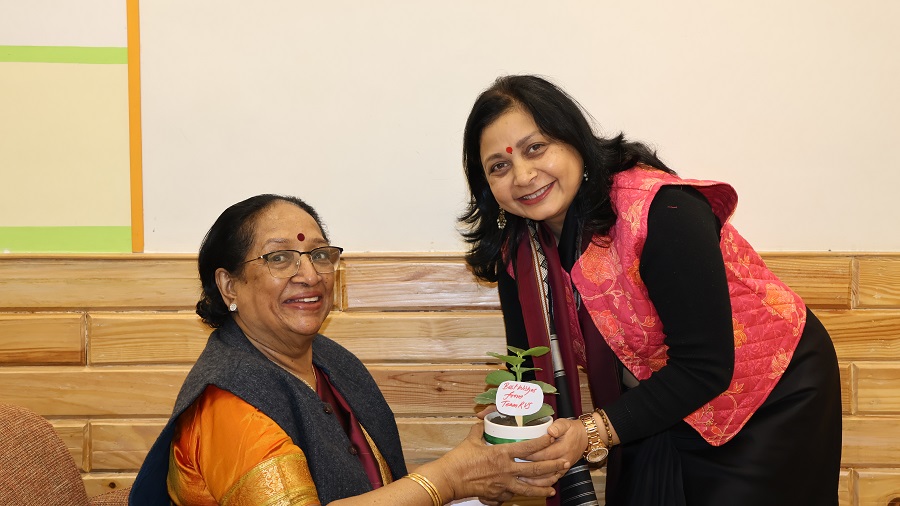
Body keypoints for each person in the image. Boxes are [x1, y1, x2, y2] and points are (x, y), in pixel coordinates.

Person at [459, 75, 842, 506]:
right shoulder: (519, 253)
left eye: (535, 148)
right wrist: (508, 430)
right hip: (660, 397)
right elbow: (527, 368)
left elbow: (705, 366)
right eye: (499, 166)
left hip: (769, 393)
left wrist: (589, 432)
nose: (523, 175)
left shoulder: (662, 210)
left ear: (575, 143)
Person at [129, 194, 570, 505]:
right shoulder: (230, 403)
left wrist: (481, 477)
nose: (309, 274)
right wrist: (449, 478)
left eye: (320, 255)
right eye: (280, 258)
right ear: (229, 285)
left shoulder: (331, 362)